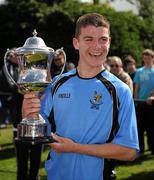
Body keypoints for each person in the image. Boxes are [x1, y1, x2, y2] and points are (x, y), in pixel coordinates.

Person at [22, 13, 139, 180]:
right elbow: (40, 126)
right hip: (56, 175)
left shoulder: (120, 90)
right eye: (89, 39)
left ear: (109, 42)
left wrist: (76, 148)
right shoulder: (57, 83)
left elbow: (129, 151)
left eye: (103, 39)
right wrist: (28, 112)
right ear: (76, 43)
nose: (97, 46)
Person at [0, 49, 43, 180]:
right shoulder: (10, 72)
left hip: (37, 123)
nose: (20, 59)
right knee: (22, 161)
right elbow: (9, 91)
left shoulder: (38, 74)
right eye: (17, 56)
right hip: (18, 122)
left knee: (36, 160)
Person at [134, 48, 154, 155]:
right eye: (144, 58)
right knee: (140, 127)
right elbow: (136, 87)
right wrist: (136, 100)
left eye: (148, 58)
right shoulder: (139, 71)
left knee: (151, 126)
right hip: (141, 102)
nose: (146, 60)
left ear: (152, 58)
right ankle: (140, 149)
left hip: (152, 103)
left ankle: (152, 147)